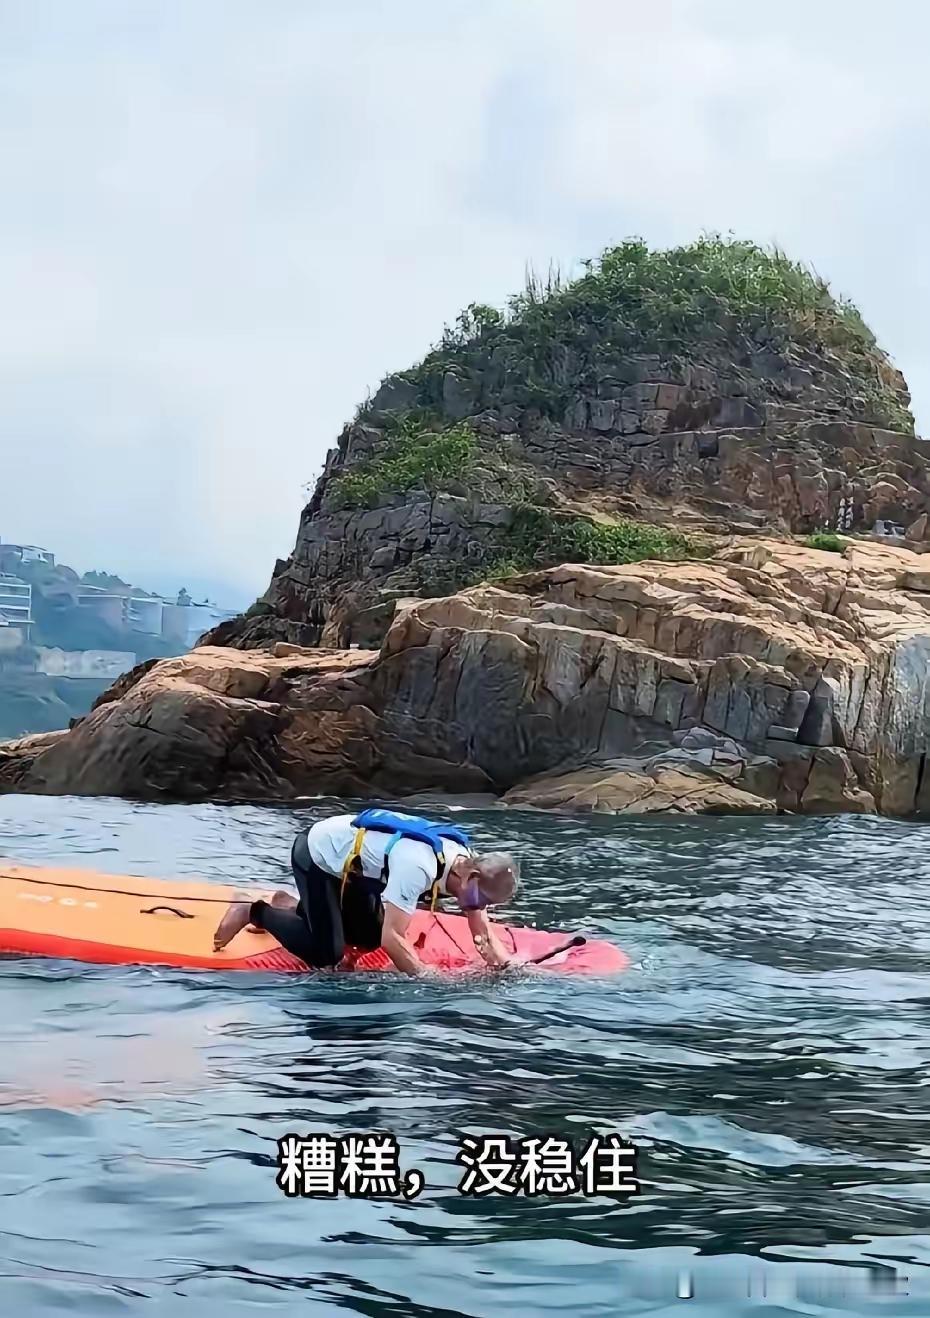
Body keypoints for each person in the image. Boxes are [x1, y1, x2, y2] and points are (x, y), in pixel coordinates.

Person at [212, 809, 522, 977]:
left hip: (358, 872)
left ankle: (293, 906)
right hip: (320, 855)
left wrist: (507, 969)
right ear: (474, 875)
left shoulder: (466, 869)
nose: (480, 908)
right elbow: (395, 939)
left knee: (367, 939)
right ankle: (254, 911)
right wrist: (428, 978)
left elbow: (482, 934)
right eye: (484, 900)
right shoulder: (419, 867)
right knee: (327, 956)